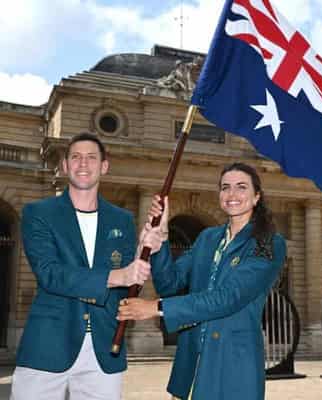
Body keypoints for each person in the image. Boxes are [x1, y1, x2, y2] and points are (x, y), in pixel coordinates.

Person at [118, 162, 287, 400]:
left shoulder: (268, 243)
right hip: (191, 362)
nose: (232, 195)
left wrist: (154, 308)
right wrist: (162, 236)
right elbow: (170, 283)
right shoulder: (208, 238)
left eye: (241, 187)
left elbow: (228, 298)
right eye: (225, 187)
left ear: (256, 196)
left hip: (233, 366)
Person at [10, 132, 151, 400]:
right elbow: (49, 273)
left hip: (103, 348)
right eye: (75, 157)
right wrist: (116, 276)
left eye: (91, 158)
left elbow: (128, 285)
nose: (83, 164)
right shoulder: (38, 213)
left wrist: (146, 253)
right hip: (48, 345)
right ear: (65, 165)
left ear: (104, 166)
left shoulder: (121, 220)